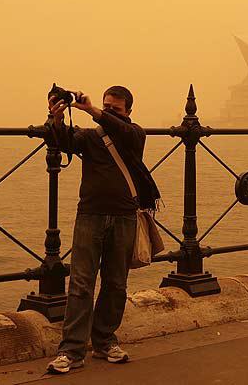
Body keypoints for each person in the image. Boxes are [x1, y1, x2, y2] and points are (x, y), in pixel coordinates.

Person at [46, 86, 160, 374]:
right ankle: (71, 350)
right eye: (106, 106)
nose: (109, 112)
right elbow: (64, 141)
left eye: (115, 109)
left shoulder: (135, 134)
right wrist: (57, 117)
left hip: (124, 216)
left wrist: (94, 111)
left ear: (128, 112)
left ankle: (105, 341)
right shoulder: (91, 138)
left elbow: (123, 131)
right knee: (81, 283)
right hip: (90, 215)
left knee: (116, 283)